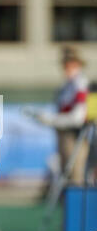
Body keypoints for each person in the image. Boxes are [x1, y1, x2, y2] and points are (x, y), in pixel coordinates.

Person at [27, 46, 89, 186]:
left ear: (77, 64)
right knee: (66, 177)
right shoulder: (68, 85)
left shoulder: (80, 84)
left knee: (75, 177)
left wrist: (51, 119)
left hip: (75, 136)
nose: (66, 66)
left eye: (70, 62)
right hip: (65, 135)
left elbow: (77, 118)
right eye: (65, 63)